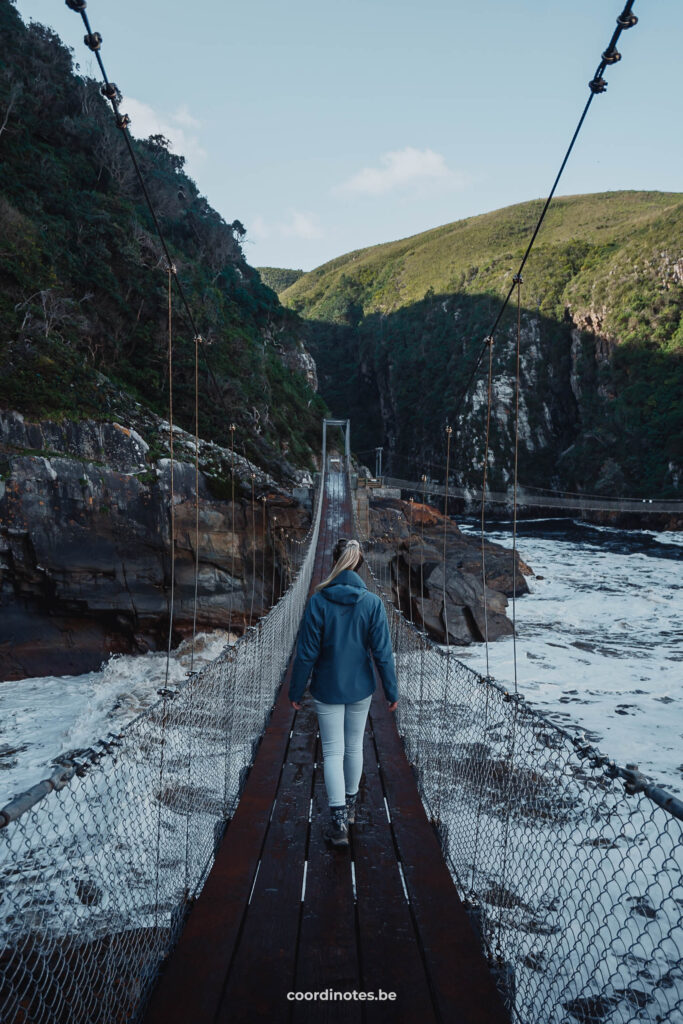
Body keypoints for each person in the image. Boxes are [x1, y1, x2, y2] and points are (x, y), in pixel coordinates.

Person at [289, 537, 399, 848]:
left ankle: (338, 823)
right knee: (354, 747)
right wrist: (392, 691)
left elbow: (306, 654)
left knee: (333, 752)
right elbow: (383, 653)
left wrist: (296, 691)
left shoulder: (318, 601)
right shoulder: (373, 603)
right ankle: (349, 809)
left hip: (326, 688)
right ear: (360, 566)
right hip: (361, 687)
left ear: (334, 562)